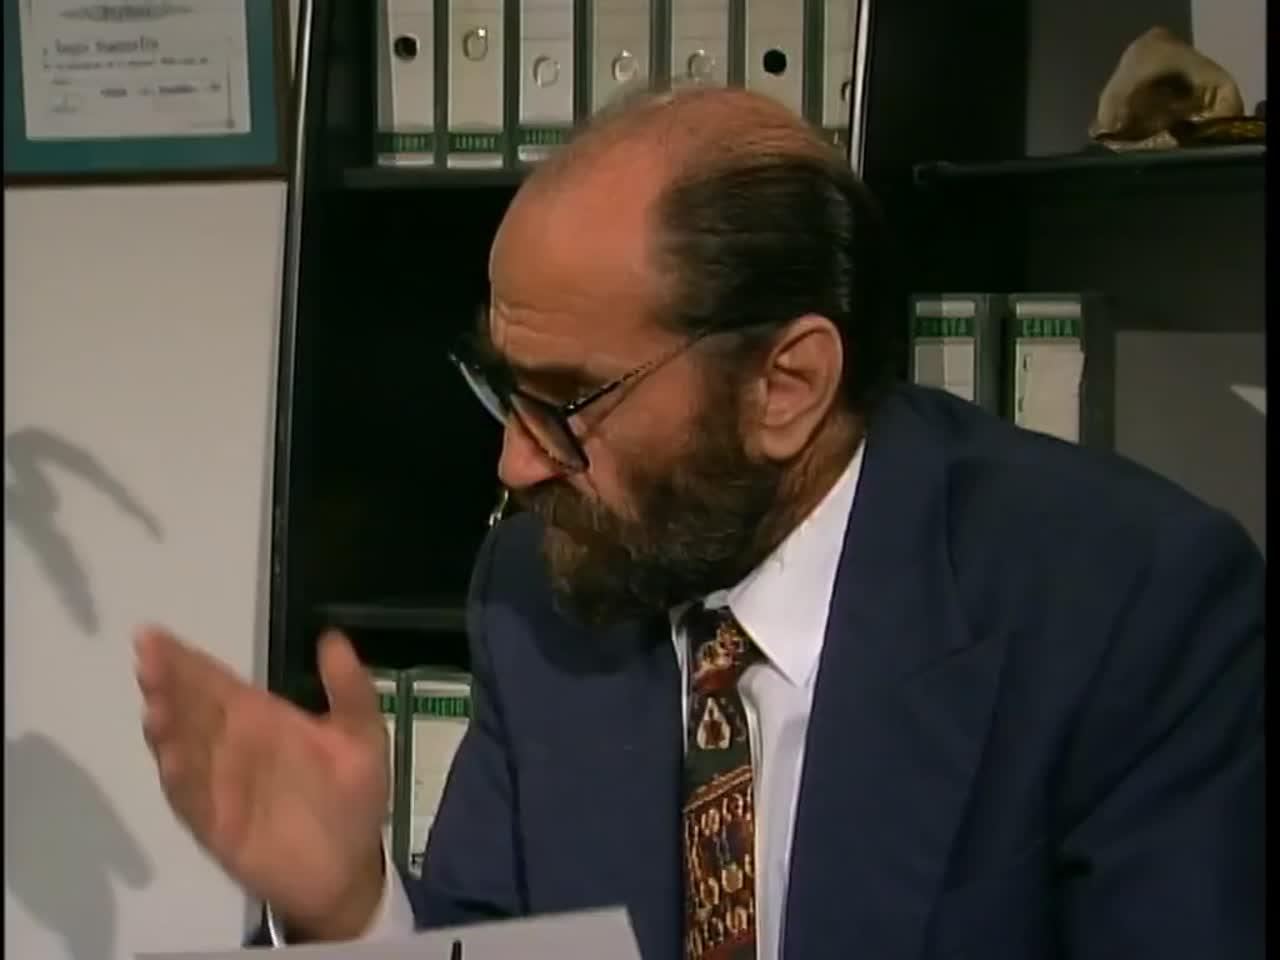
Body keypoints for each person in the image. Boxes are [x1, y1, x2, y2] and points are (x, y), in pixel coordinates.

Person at [134, 85, 1264, 959]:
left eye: (568, 403)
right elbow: (497, 937)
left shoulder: (1127, 605)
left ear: (785, 386)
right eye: (502, 391)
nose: (514, 463)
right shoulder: (540, 589)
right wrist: (350, 911)